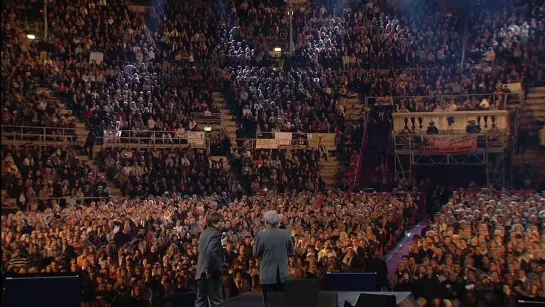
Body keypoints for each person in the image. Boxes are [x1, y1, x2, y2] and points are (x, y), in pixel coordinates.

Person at [253, 211, 295, 307]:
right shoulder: (286, 234)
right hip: (283, 273)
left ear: (265, 221)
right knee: (282, 302)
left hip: (267, 275)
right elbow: (291, 252)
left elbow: (256, 254)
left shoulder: (260, 236)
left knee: (268, 303)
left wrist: (253, 246)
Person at [195, 214, 224, 307]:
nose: (222, 223)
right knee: (216, 301)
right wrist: (211, 270)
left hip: (201, 272)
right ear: (214, 223)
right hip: (211, 273)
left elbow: (201, 250)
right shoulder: (216, 234)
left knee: (200, 301)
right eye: (220, 221)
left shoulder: (203, 233)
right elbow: (211, 252)